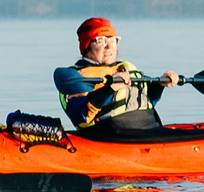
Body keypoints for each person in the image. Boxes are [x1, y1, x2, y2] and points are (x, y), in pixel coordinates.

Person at [54, 17, 183, 135]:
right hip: (111, 136)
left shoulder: (126, 67)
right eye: (101, 41)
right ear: (87, 46)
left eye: (113, 40)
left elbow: (146, 100)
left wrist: (161, 84)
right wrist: (110, 88)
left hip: (150, 129)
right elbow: (80, 115)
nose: (109, 46)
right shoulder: (77, 76)